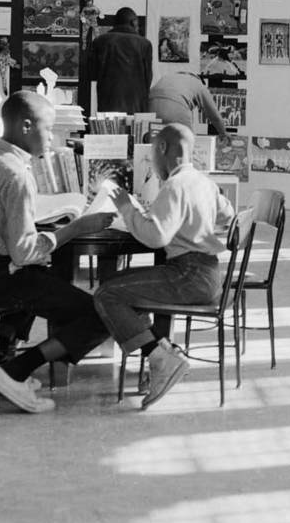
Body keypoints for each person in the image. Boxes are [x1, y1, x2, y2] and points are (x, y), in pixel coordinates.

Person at [0, 90, 117, 413]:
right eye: (49, 128)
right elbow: (23, 253)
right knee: (102, 314)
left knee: (41, 273)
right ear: (26, 126)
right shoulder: (17, 176)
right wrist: (75, 229)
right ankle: (14, 371)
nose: (52, 137)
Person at [92, 124, 237, 408]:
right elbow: (228, 214)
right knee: (123, 286)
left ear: (161, 149)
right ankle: (159, 355)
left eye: (152, 155)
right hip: (208, 273)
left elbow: (156, 237)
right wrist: (193, 223)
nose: (152, 162)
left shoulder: (174, 185)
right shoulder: (203, 181)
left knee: (106, 294)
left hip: (187, 275)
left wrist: (127, 208)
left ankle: (160, 358)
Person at [85, 7, 153, 113]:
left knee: (108, 129)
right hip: (136, 105)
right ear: (133, 22)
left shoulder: (100, 41)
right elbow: (147, 79)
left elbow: (92, 74)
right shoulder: (145, 44)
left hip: (108, 104)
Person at [149, 69, 229, 138]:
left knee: (153, 147)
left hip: (150, 107)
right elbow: (214, 116)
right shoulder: (199, 85)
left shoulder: (168, 76)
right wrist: (223, 133)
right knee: (188, 144)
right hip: (176, 107)